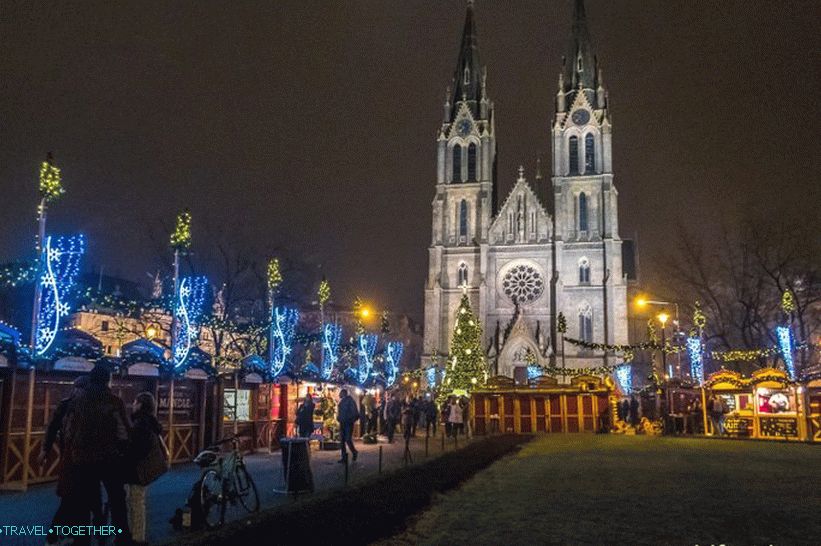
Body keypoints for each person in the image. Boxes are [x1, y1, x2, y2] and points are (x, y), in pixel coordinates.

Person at [62, 363, 132, 545]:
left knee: (83, 501)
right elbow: (123, 432)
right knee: (117, 500)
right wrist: (124, 451)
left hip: (82, 458)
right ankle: (121, 537)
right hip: (109, 457)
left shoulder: (77, 401)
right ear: (108, 380)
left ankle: (82, 540)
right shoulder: (114, 402)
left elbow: (68, 430)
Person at [42, 376, 94, 545]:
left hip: (75, 459)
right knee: (73, 500)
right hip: (77, 460)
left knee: (74, 500)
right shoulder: (82, 406)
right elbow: (53, 428)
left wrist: (45, 450)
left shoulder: (70, 405)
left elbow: (52, 428)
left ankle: (71, 535)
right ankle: (61, 535)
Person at [126, 392, 163, 545]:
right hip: (144, 469)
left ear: (140, 405)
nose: (133, 405)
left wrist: (127, 453)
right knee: (136, 501)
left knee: (136, 502)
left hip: (137, 469)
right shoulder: (150, 422)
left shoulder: (141, 424)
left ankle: (137, 537)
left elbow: (138, 448)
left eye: (135, 402)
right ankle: (136, 534)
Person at [336, 389, 359, 463]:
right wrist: (339, 417)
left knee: (348, 439)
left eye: (340, 393)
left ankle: (354, 452)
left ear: (343, 393)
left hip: (348, 423)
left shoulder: (350, 401)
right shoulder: (342, 401)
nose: (339, 394)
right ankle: (344, 457)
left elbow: (355, 412)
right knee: (342, 440)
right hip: (342, 422)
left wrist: (351, 420)